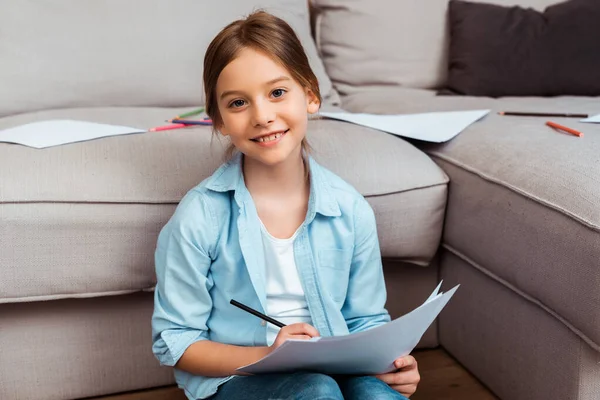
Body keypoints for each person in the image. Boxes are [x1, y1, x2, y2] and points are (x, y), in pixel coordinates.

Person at [151, 10, 420, 400]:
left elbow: (366, 319)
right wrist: (269, 355)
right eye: (239, 103)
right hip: (239, 379)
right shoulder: (199, 217)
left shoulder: (350, 208)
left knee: (377, 395)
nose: (263, 116)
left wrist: (394, 364)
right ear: (220, 120)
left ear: (310, 95)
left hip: (336, 369)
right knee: (316, 389)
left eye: (277, 93)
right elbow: (175, 342)